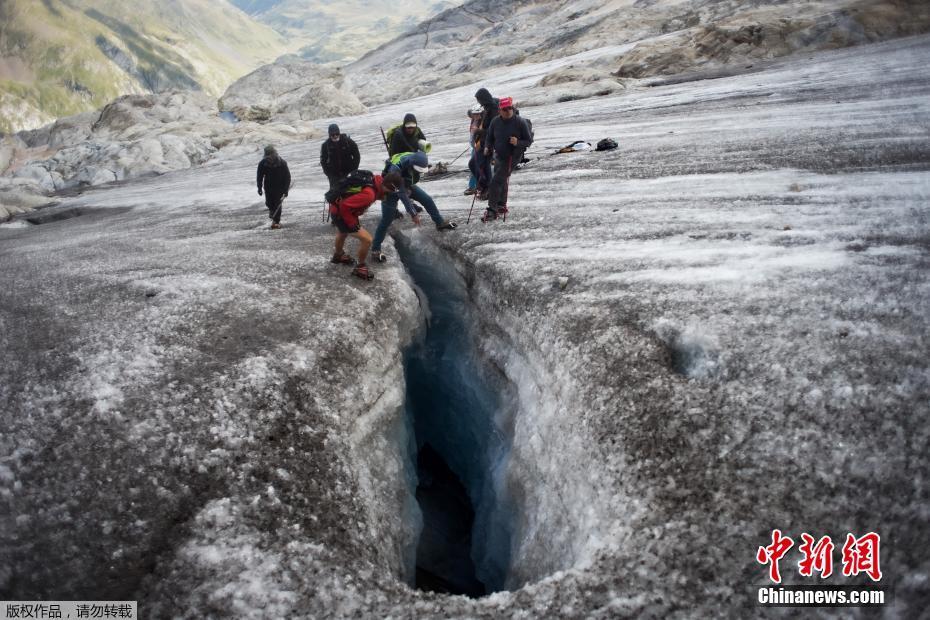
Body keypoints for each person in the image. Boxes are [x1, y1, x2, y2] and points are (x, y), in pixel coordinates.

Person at [371, 150, 456, 263]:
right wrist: (413, 213)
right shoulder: (395, 169)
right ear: (412, 164)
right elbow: (401, 194)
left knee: (427, 199)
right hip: (390, 190)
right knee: (386, 220)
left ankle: (440, 223)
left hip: (406, 185)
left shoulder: (417, 159)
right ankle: (375, 250)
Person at [329, 171, 403, 280]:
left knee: (342, 232)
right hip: (341, 212)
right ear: (388, 186)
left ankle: (338, 255)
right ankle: (360, 267)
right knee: (367, 240)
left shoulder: (375, 181)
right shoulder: (369, 195)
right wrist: (352, 223)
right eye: (392, 190)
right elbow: (344, 205)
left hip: (337, 209)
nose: (390, 194)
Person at [482, 97, 533, 222]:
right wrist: (487, 147)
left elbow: (528, 141)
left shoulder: (520, 122)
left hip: (513, 156)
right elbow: (489, 137)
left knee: (495, 181)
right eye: (505, 109)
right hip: (499, 155)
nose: (508, 111)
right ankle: (501, 205)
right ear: (500, 110)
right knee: (502, 180)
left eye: (510, 108)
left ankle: (492, 210)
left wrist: (517, 142)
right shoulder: (495, 122)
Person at [471, 88, 499, 200]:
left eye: (479, 99)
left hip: (488, 143)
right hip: (482, 142)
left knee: (482, 165)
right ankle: (484, 185)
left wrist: (478, 131)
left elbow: (494, 130)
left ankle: (487, 187)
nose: (479, 102)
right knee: (475, 164)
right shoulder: (487, 109)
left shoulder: (494, 110)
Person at [256, 145, 291, 229]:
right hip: (268, 186)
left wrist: (286, 190)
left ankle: (276, 221)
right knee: (269, 203)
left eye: (270, 156)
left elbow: (287, 177)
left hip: (280, 187)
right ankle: (272, 211)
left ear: (274, 154)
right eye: (267, 156)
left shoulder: (282, 163)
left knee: (277, 204)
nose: (269, 158)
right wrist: (259, 187)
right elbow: (259, 176)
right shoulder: (263, 163)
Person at [320, 123, 360, 188]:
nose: (335, 136)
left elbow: (357, 155)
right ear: (329, 135)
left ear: (339, 133)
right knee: (335, 196)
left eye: (337, 134)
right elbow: (323, 161)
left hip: (349, 173)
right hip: (334, 176)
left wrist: (354, 170)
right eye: (333, 135)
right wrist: (329, 175)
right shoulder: (325, 146)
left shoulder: (348, 141)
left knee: (351, 193)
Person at [465, 104, 483, 195]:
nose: (476, 116)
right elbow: (472, 135)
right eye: (474, 114)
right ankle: (474, 186)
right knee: (474, 165)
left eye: (477, 114)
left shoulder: (483, 122)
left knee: (477, 165)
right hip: (475, 147)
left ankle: (476, 186)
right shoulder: (474, 121)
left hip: (482, 147)